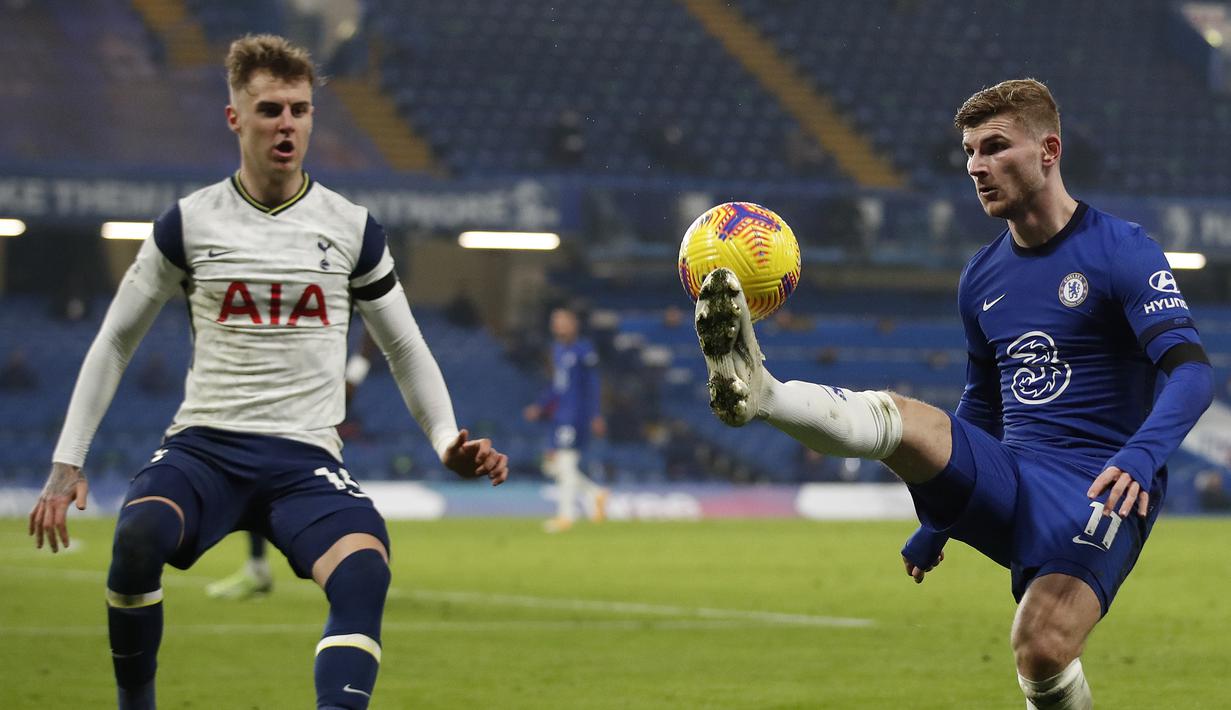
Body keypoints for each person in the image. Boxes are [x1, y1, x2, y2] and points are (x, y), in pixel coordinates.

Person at [692, 78, 1212, 709]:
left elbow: (1190, 373)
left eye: (995, 147)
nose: (976, 166)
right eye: (969, 152)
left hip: (1100, 482)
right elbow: (982, 409)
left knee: (1042, 647)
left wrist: (1140, 456)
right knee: (907, 418)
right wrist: (936, 519)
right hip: (1012, 471)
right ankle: (762, 391)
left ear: (1049, 150)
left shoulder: (1122, 249)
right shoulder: (981, 277)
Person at [27, 34, 509, 710]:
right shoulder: (187, 224)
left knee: (365, 570)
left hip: (304, 460)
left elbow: (404, 347)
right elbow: (113, 342)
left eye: (299, 110)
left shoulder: (350, 227)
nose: (286, 124)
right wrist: (66, 461)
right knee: (136, 538)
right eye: (270, 110)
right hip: (205, 449)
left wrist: (444, 440)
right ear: (236, 118)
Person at [205, 342, 377, 601]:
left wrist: (363, 355)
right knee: (256, 497)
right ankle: (259, 567)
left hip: (308, 455)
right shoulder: (306, 375)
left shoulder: (314, 380)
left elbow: (346, 393)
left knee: (272, 502)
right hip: (294, 450)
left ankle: (345, 570)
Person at [523, 306, 609, 532]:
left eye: (562, 321)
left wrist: (596, 414)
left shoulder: (584, 350)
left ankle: (565, 516)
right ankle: (595, 493)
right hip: (559, 415)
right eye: (555, 321)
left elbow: (593, 385)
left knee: (566, 461)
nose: (558, 325)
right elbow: (557, 386)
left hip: (575, 415)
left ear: (574, 324)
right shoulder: (557, 350)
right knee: (552, 465)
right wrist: (540, 406)